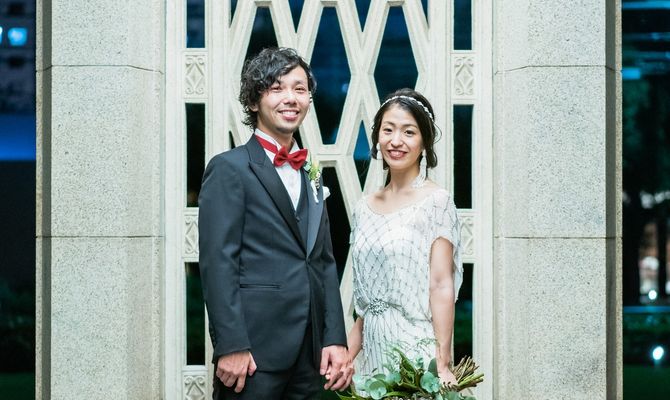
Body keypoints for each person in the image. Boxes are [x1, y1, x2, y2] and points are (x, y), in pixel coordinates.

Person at [198, 47, 352, 399]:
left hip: (311, 354)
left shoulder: (312, 173)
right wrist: (231, 343)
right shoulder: (229, 168)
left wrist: (334, 338)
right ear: (254, 101)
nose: (291, 98)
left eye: (300, 89)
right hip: (253, 353)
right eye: (277, 88)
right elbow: (218, 262)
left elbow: (323, 262)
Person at [347, 88, 463, 386]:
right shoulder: (364, 207)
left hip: (416, 351)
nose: (396, 141)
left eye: (409, 132)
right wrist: (347, 356)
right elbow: (367, 303)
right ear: (377, 136)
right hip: (372, 354)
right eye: (388, 130)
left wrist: (442, 362)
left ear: (424, 142)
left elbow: (441, 284)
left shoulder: (436, 201)